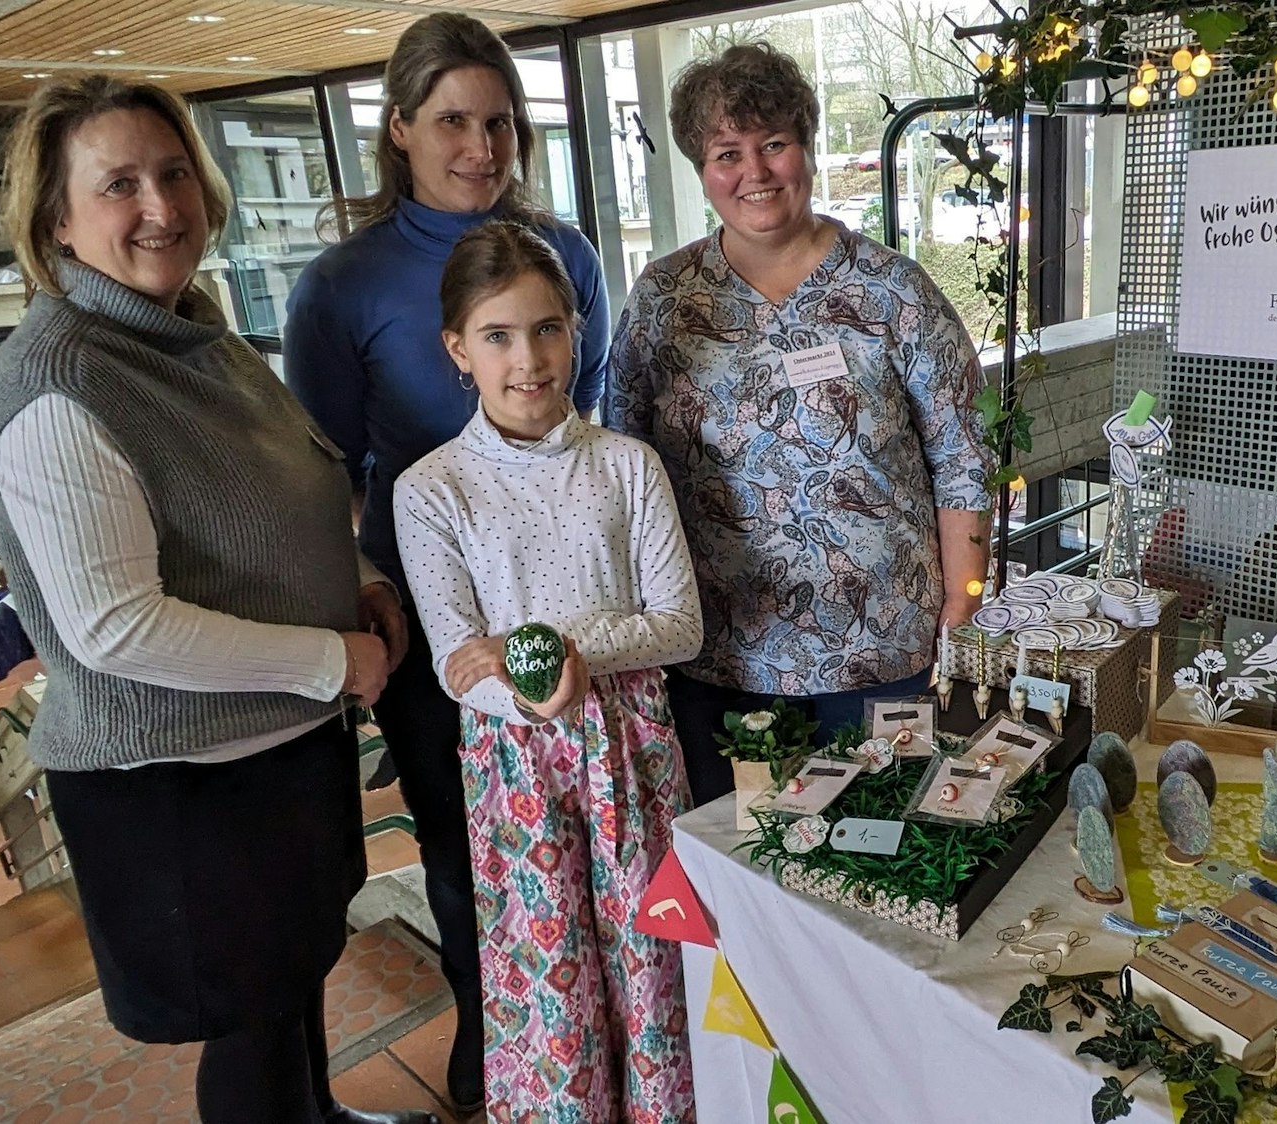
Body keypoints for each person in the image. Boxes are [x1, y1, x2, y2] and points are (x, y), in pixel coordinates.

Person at [0, 75, 431, 1124]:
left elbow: (282, 486)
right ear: (56, 218)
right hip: (181, 786)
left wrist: (354, 578)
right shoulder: (58, 381)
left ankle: (321, 1112)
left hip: (270, 749)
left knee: (291, 980)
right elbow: (114, 626)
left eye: (174, 171)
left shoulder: (192, 329)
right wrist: (332, 660)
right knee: (248, 1023)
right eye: (119, 183)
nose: (161, 207)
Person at [284, 14, 612, 1109]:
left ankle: (606, 1033)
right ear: (401, 130)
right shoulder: (341, 285)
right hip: (433, 621)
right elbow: (325, 467)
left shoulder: (564, 254)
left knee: (590, 827)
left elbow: (583, 420)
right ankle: (496, 1040)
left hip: (571, 605)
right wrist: (366, 604)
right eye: (453, 121)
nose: (480, 146)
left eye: (500, 122)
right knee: (468, 849)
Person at [605, 43, 994, 806]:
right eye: (728, 153)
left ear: (807, 150)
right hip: (720, 654)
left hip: (883, 647)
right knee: (747, 859)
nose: (755, 172)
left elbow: (963, 453)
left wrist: (961, 605)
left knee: (883, 847)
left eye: (774, 144)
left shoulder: (893, 291)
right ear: (701, 167)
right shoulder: (665, 299)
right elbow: (623, 460)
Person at [395, 221, 699, 1123]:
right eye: (498, 336)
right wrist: (528, 687)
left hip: (633, 755)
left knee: (653, 963)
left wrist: (552, 649)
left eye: (547, 329)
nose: (527, 359)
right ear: (459, 349)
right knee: (549, 976)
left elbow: (679, 625)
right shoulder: (432, 489)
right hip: (519, 772)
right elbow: (460, 662)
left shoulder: (628, 465)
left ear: (576, 331)